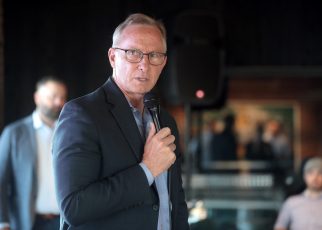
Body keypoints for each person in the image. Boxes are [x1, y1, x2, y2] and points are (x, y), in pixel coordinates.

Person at [52, 13, 189, 230]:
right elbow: (74, 207)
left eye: (154, 55)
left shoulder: (165, 119)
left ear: (163, 63)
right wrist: (148, 169)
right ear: (113, 57)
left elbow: (176, 202)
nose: (144, 65)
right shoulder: (81, 114)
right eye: (133, 53)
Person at [0, 77, 68, 230]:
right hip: (27, 222)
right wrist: (2, 221)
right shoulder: (14, 133)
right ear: (37, 98)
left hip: (64, 222)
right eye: (53, 97)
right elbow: (1, 179)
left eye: (62, 97)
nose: (59, 102)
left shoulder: (70, 132)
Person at [274, 157, 322, 230]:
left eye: (320, 173)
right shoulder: (291, 202)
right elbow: (280, 226)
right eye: (310, 173)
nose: (315, 177)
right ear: (304, 176)